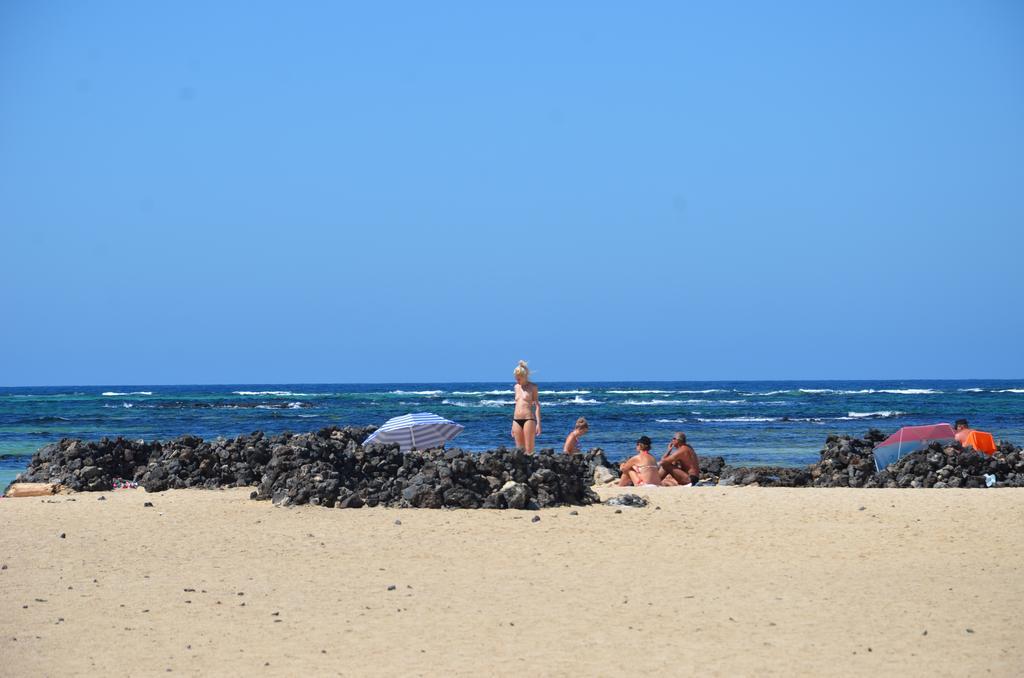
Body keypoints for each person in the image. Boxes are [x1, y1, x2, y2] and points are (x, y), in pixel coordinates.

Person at [511, 360, 541, 454]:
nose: (517, 381)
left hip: (528, 419)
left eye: (519, 379)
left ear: (524, 376)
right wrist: (512, 424)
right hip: (516, 420)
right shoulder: (516, 387)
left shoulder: (533, 387)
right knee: (519, 452)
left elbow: (537, 406)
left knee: (529, 451)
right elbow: (517, 405)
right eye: (516, 378)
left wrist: (538, 424)